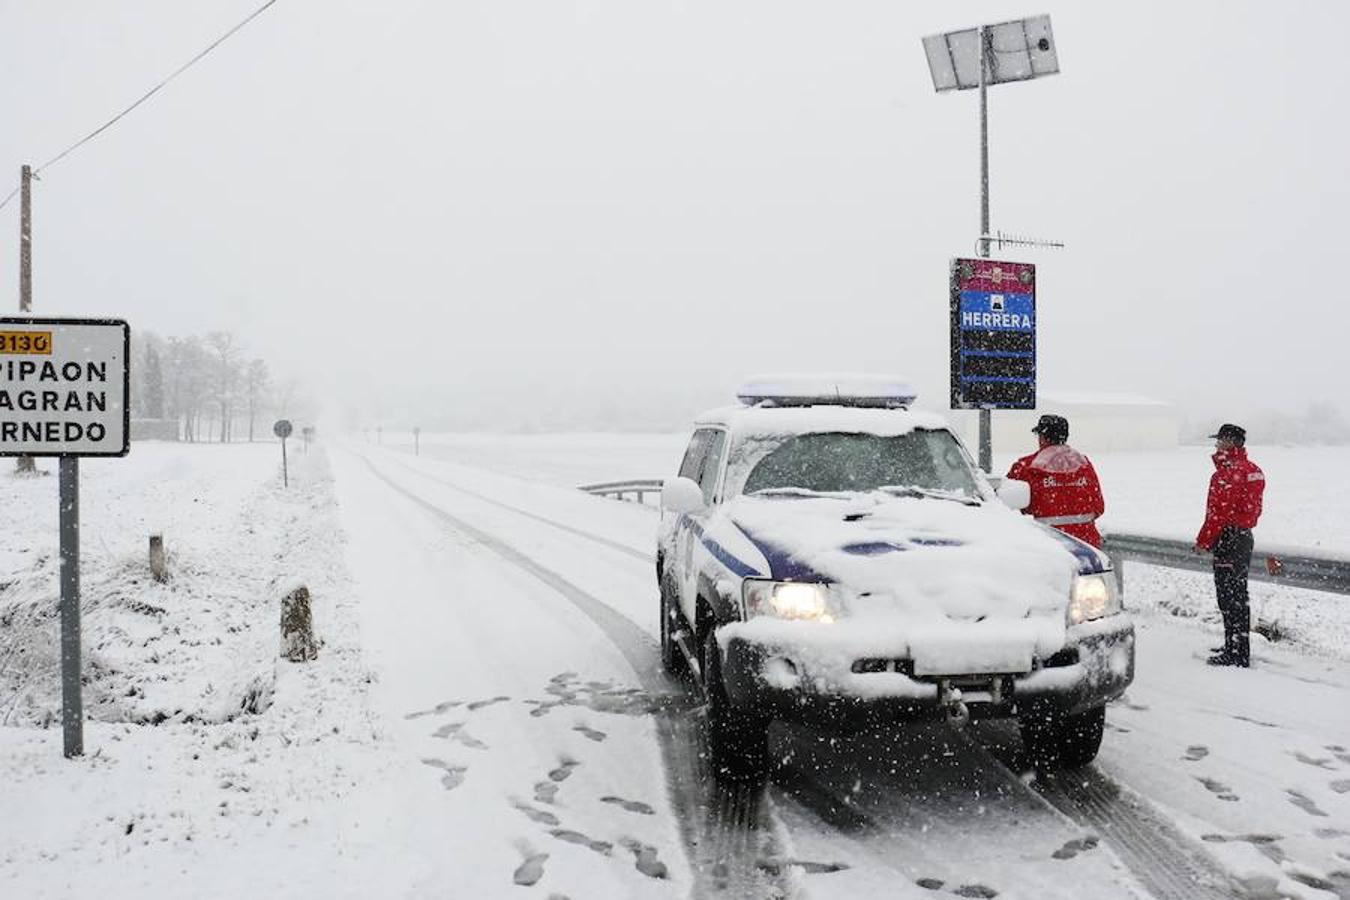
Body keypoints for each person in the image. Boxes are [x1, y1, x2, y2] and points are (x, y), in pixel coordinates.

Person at [1194, 423, 1265, 668]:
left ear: (1230, 443)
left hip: (1228, 539)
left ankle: (1235, 652)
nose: (1216, 446)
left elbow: (1218, 514)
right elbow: (1252, 509)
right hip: (1244, 537)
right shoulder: (1254, 470)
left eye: (1219, 442)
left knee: (1227, 596)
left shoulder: (1225, 475)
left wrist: (1203, 542)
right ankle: (1236, 646)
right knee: (1239, 595)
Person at [1006, 414, 1106, 548]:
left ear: (1042, 438)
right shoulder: (1084, 465)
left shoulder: (1025, 467)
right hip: (1087, 546)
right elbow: (1098, 506)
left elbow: (1006, 507)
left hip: (1047, 547)